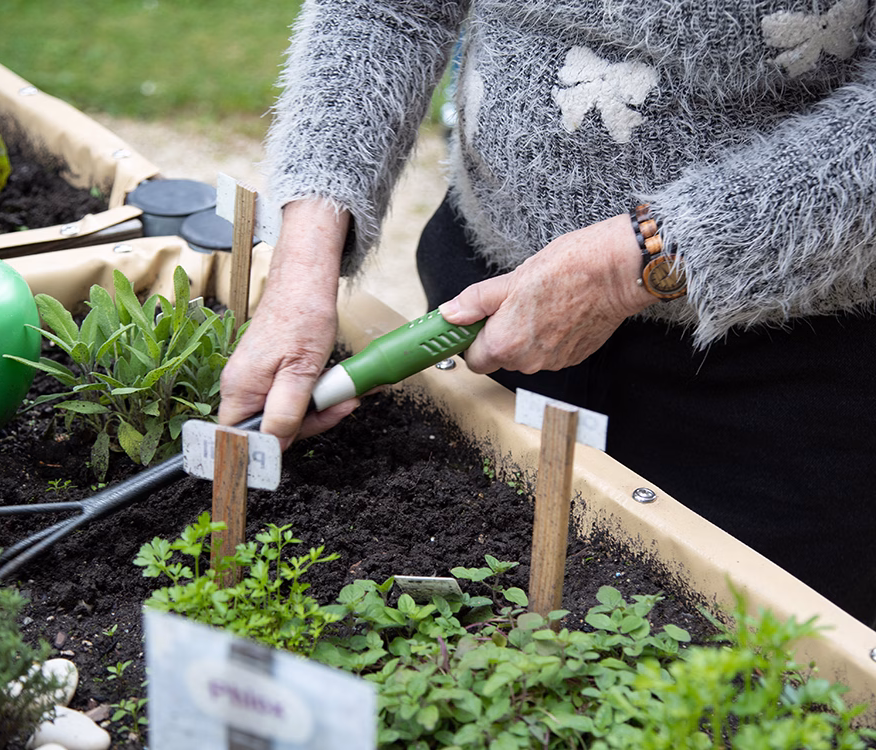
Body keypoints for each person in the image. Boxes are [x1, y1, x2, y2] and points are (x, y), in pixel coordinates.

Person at [219, 0, 876, 626]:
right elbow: (387, 10)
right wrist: (300, 268)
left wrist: (644, 260)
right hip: (489, 311)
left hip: (779, 372)